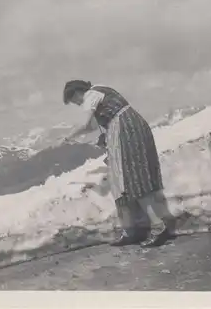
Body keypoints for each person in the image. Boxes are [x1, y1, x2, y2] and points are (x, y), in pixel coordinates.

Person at [62, 80, 174, 247]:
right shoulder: (100, 93)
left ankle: (159, 228)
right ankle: (134, 230)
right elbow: (93, 125)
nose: (77, 104)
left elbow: (86, 124)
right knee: (125, 179)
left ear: (78, 92)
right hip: (125, 129)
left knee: (133, 177)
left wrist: (67, 137)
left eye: (74, 100)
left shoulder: (91, 94)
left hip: (125, 130)